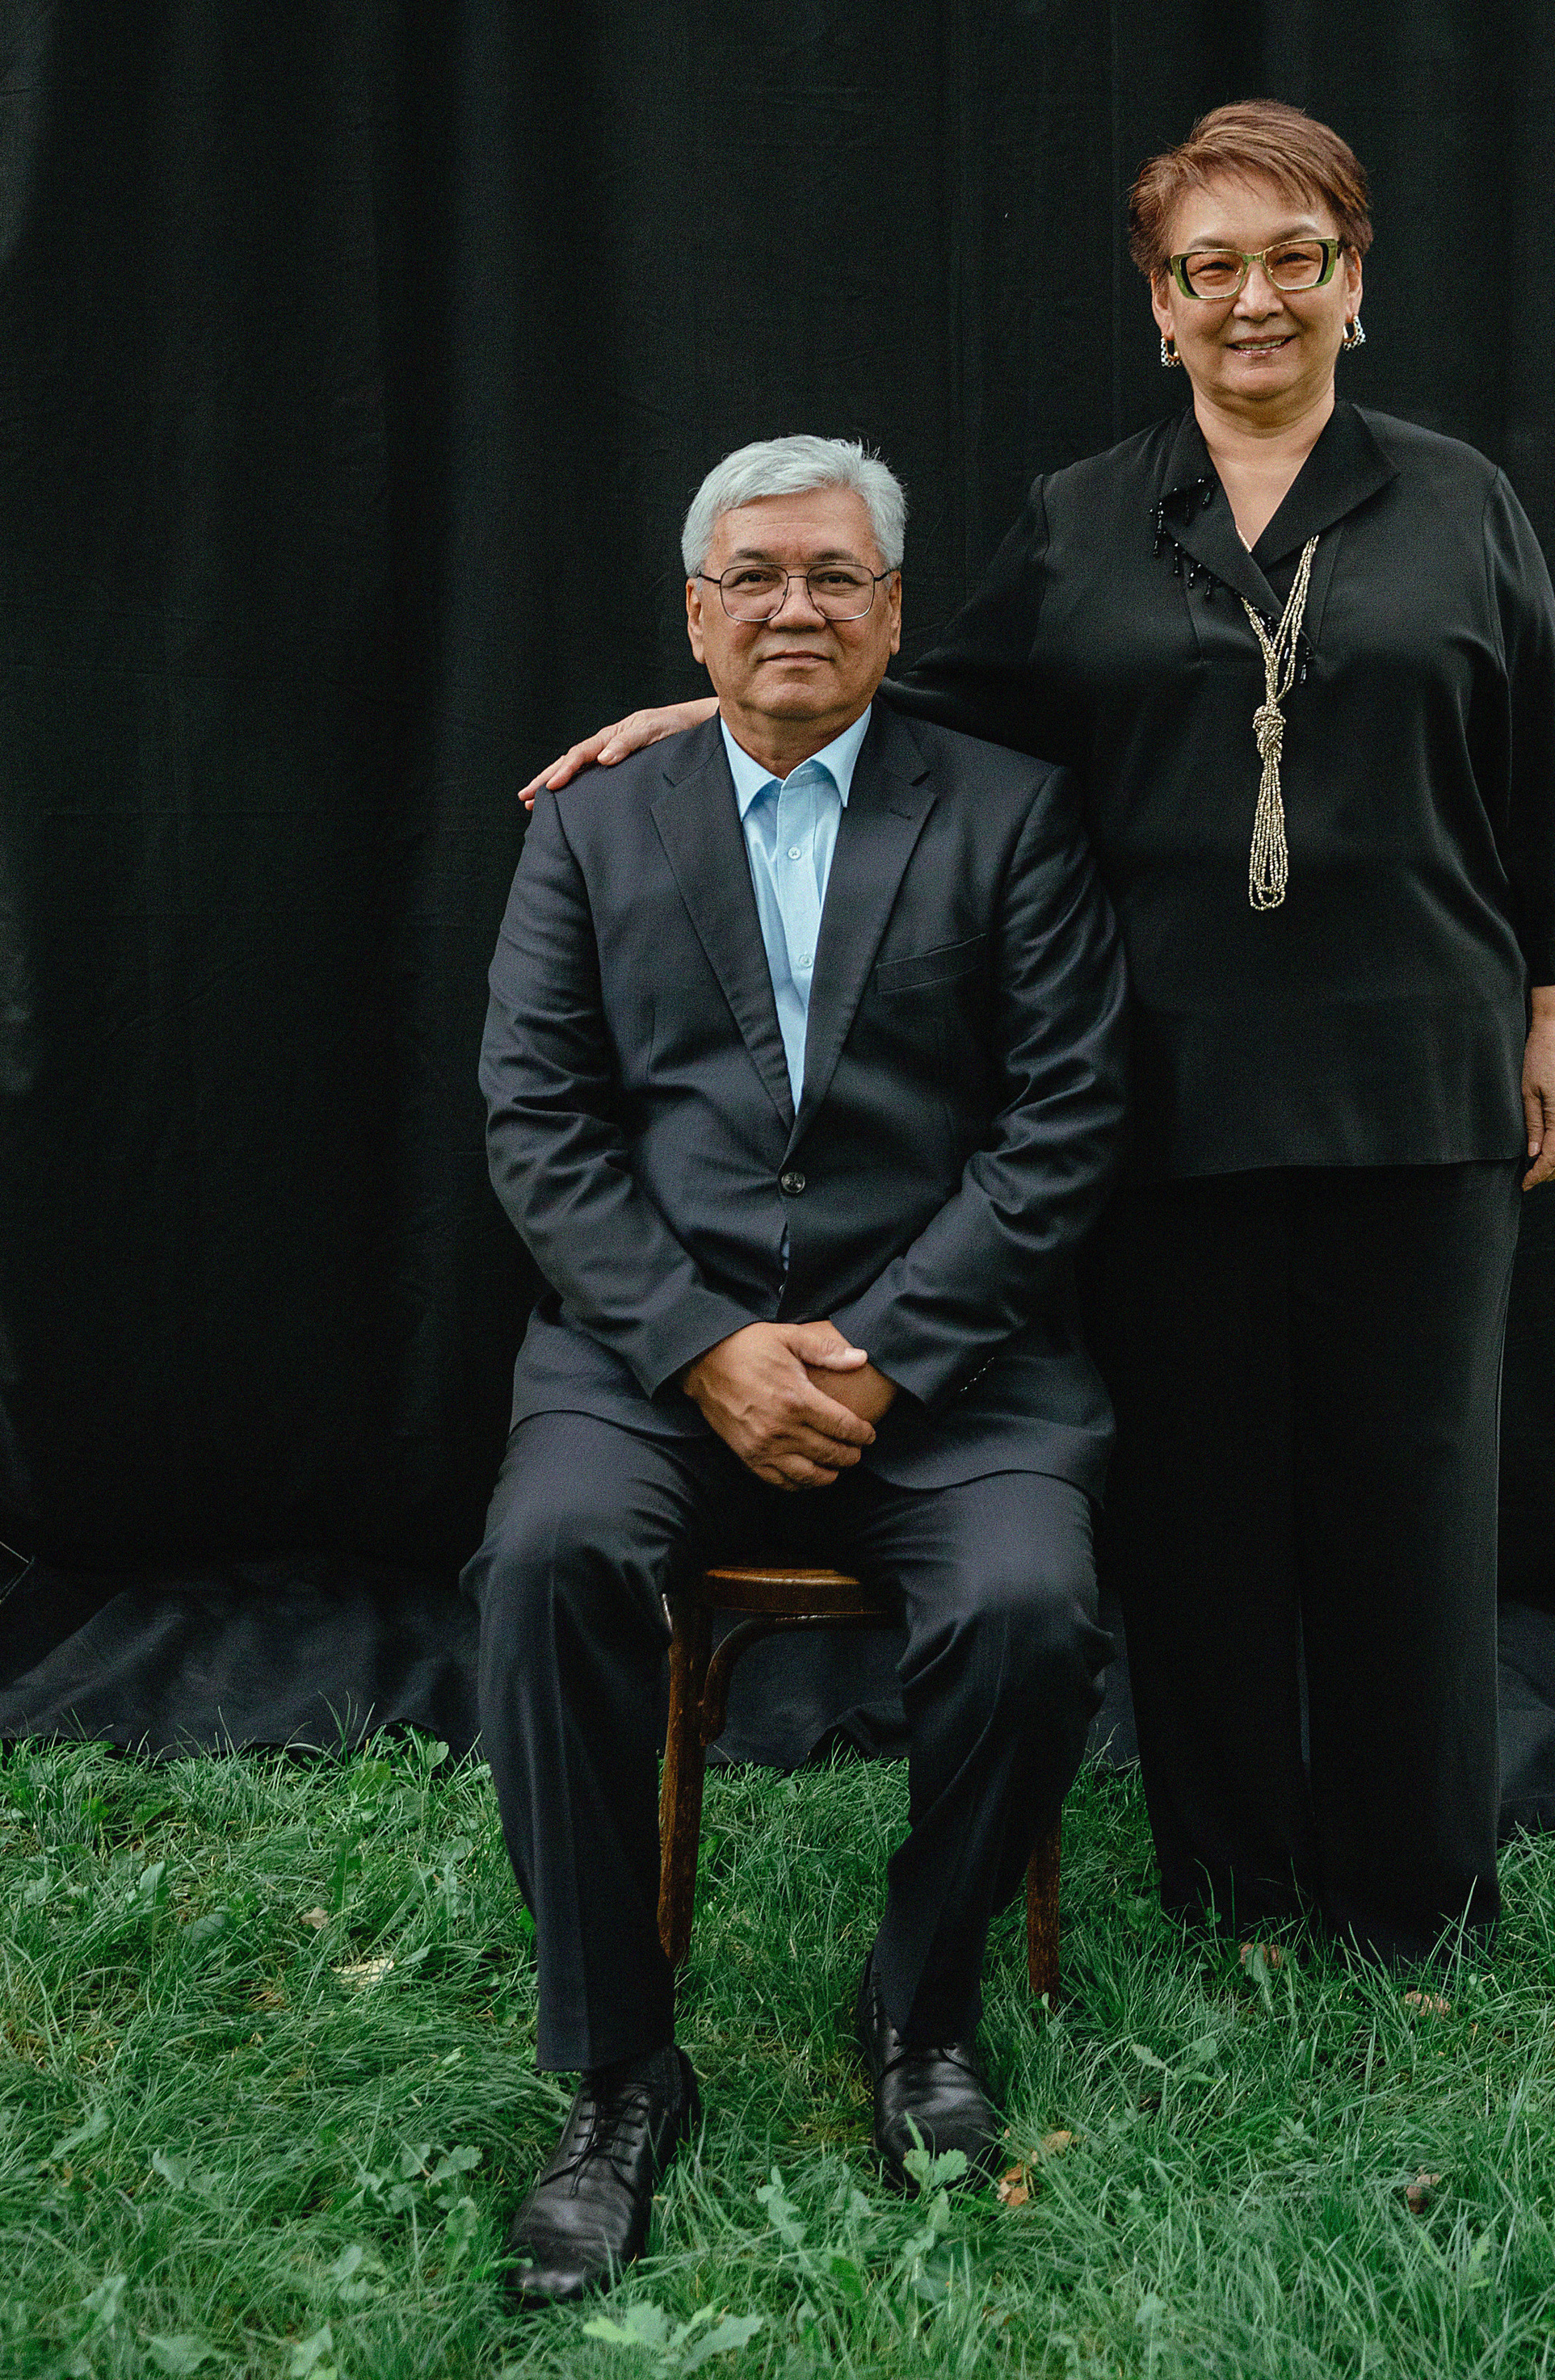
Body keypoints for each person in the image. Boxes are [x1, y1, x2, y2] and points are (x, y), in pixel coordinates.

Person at [527, 101, 1555, 1975]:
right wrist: (693, 714)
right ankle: (1231, 1874)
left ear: (1353, 285)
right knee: (1198, 1514)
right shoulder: (1086, 516)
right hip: (1166, 1092)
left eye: (1293, 261)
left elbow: (1544, 771)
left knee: (1408, 1508)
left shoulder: (1457, 500)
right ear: (1159, 303)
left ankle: (1414, 1890)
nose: (1252, 301)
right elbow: (915, 696)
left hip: (1416, 1082)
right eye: (1210, 269)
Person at [469, 433, 1128, 2307]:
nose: (792, 606)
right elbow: (534, 1121)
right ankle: (616, 2074)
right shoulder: (594, 827)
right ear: (695, 612)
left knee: (1024, 1607)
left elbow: (1066, 1125)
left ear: (892, 610)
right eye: (752, 575)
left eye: (833, 576)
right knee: (545, 1564)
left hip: (951, 1363)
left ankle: (919, 2004)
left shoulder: (1006, 812)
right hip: (646, 1356)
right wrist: (696, 1348)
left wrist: (886, 1350)